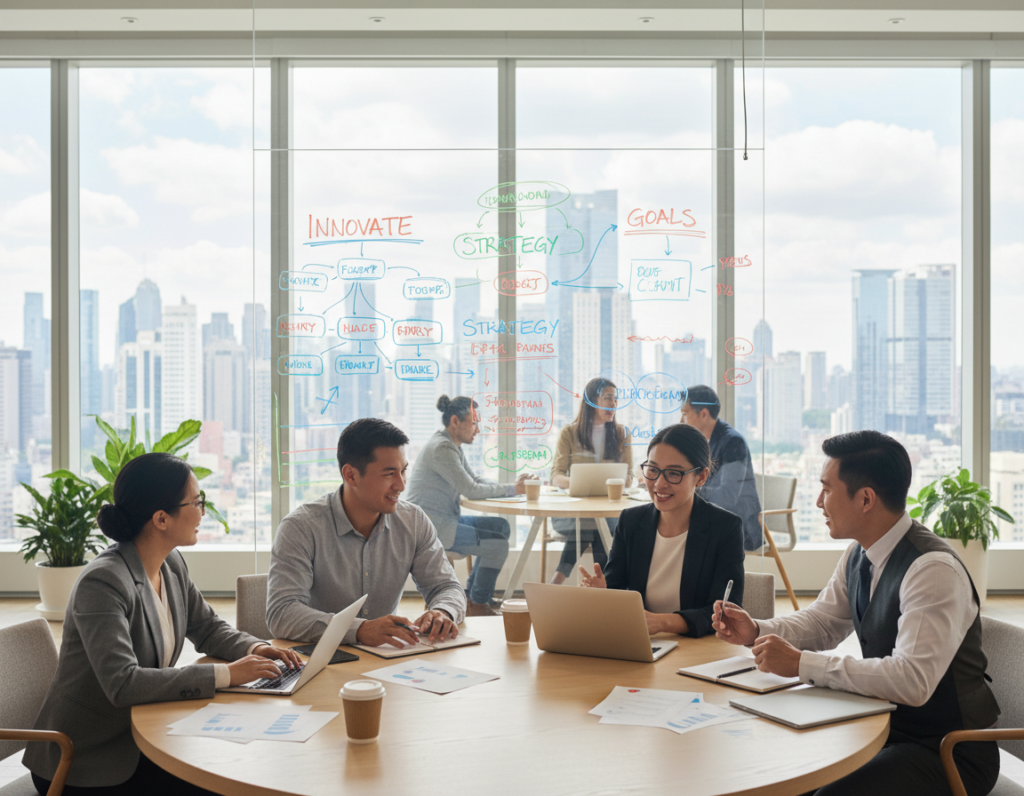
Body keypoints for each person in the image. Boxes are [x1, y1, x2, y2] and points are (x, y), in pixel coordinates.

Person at [713, 431, 1000, 796]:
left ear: (865, 499)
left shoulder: (932, 571)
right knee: (778, 774)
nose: (818, 502)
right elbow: (822, 621)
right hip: (883, 728)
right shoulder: (859, 553)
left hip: (949, 751)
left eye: (826, 490)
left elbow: (911, 681)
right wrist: (756, 629)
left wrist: (803, 664)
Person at [23, 453, 301, 795]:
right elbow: (122, 684)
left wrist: (256, 648)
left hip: (146, 732)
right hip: (87, 760)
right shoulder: (104, 583)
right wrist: (228, 675)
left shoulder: (170, 564)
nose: (203, 511)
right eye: (197, 502)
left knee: (245, 764)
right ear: (161, 519)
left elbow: (209, 628)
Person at [267, 417, 467, 648]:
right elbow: (281, 613)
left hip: (388, 660)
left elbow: (446, 587)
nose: (401, 485)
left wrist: (443, 611)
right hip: (323, 658)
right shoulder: (301, 527)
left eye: (403, 471)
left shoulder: (413, 521)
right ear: (350, 475)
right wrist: (358, 629)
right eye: (389, 474)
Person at [578, 424, 744, 638]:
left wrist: (662, 622)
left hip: (699, 648)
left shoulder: (725, 528)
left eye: (674, 473)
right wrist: (603, 593)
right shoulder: (631, 521)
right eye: (653, 470)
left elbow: (724, 611)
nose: (659, 483)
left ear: (701, 477)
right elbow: (616, 586)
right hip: (642, 643)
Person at [406, 395, 528, 616]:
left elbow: (475, 480)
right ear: (455, 421)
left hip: (444, 520)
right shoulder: (442, 449)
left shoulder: (451, 446)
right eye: (474, 423)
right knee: (498, 545)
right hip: (431, 529)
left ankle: (473, 598)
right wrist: (514, 490)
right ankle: (478, 604)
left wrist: (513, 487)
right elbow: (470, 490)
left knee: (501, 527)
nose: (478, 429)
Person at [548, 377, 633, 584]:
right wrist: (576, 483)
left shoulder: (622, 434)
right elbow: (556, 476)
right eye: (608, 398)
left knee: (594, 525)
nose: (614, 404)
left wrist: (621, 481)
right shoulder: (569, 433)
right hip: (570, 513)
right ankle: (604, 589)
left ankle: (556, 582)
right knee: (591, 524)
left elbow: (629, 477)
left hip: (606, 513)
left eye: (616, 399)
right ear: (591, 401)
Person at [680, 384, 763, 551]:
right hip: (712, 518)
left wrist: (687, 489)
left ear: (703, 414)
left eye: (684, 414)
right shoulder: (703, 441)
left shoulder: (733, 442)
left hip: (740, 526)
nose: (681, 421)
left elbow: (728, 496)